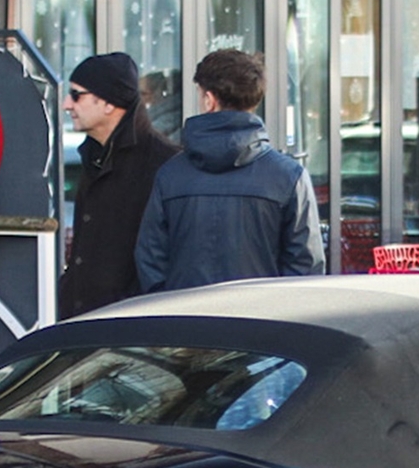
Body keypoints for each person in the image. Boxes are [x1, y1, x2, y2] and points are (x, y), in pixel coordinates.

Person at [134, 50, 321, 294]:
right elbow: (305, 269)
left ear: (209, 100)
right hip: (262, 324)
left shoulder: (170, 176)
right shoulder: (289, 177)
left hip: (185, 323)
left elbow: (151, 262)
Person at [58, 52, 178, 318]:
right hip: (82, 324)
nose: (67, 104)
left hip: (130, 331)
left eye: (77, 95)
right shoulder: (93, 155)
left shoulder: (163, 164)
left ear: (108, 104)